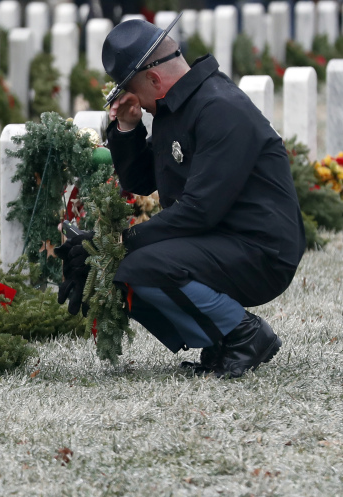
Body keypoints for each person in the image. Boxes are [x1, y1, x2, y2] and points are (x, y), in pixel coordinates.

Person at [55, 16, 305, 378]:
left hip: (261, 249)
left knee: (141, 267)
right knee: (133, 265)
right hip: (221, 238)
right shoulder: (181, 106)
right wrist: (127, 127)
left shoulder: (219, 108)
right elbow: (141, 180)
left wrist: (118, 242)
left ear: (155, 80)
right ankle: (220, 340)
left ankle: (244, 334)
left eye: (133, 93)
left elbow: (198, 211)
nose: (136, 102)